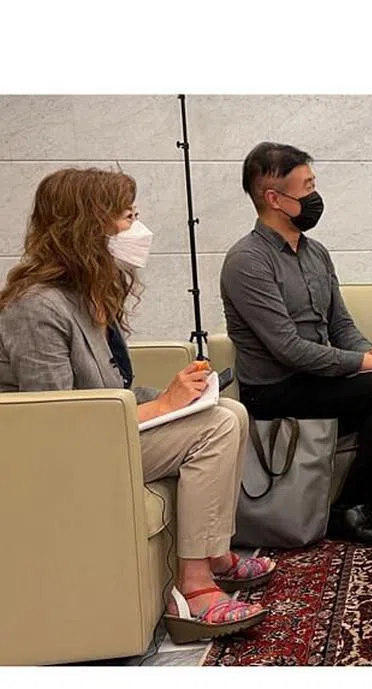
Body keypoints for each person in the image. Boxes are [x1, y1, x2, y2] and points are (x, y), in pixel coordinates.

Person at [0, 168, 273, 644]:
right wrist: (164, 405)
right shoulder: (36, 307)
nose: (138, 228)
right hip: (60, 455)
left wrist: (177, 395)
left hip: (99, 437)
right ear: (87, 226)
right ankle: (195, 589)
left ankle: (215, 554)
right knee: (216, 428)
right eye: (127, 217)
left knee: (230, 412)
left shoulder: (84, 294)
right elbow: (56, 420)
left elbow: (110, 387)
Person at [220, 142, 372, 545]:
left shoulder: (316, 253)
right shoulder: (247, 261)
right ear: (274, 198)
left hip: (318, 379)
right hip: (276, 388)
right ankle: (349, 507)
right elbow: (288, 349)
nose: (315, 196)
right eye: (306, 187)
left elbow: (341, 326)